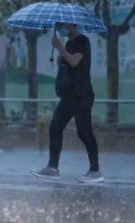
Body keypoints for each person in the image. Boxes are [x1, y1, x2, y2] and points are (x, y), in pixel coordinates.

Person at [31, 23, 103, 183]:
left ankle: (95, 170)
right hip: (69, 95)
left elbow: (75, 62)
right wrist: (60, 59)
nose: (62, 27)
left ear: (72, 24)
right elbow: (68, 64)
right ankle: (53, 167)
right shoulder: (69, 43)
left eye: (64, 24)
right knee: (55, 126)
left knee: (84, 132)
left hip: (82, 95)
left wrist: (59, 48)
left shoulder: (82, 41)